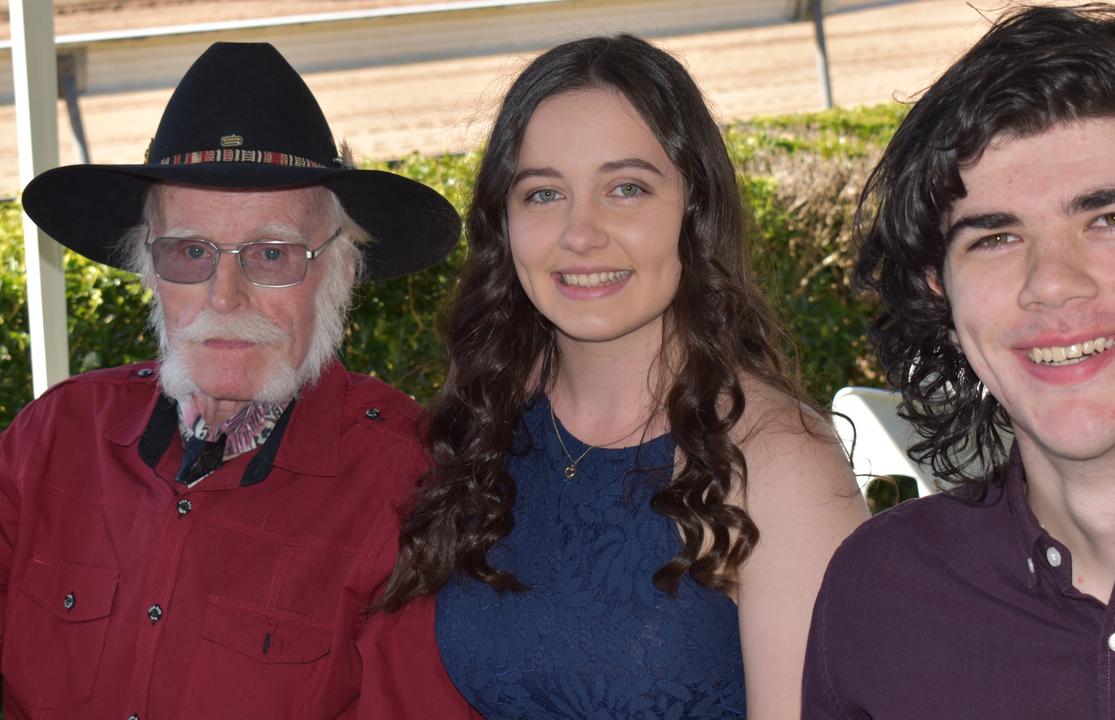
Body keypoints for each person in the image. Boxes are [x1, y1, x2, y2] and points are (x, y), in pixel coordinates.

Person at [365, 34, 867, 718]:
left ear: (696, 210)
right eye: (543, 194)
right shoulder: (486, 426)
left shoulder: (781, 466)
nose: (581, 233)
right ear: (504, 225)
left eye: (626, 189)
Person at [802, 3, 1115, 718]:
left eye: (1112, 218)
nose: (1052, 281)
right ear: (943, 292)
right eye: (994, 238)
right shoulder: (882, 596)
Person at [1, 43, 466, 718]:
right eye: (190, 251)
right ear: (148, 270)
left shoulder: (405, 481)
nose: (224, 296)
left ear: (338, 274)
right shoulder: (53, 437)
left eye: (271, 253)